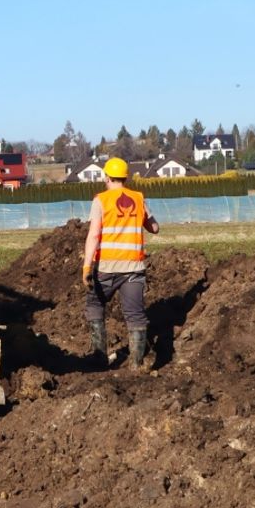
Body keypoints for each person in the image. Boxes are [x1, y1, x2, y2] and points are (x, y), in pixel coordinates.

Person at [81, 157, 160, 370]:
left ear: (106, 176)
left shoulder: (101, 200)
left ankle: (99, 359)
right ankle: (136, 363)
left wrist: (87, 267)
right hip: (134, 268)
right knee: (135, 314)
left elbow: (94, 235)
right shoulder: (138, 198)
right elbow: (155, 228)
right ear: (125, 177)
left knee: (95, 305)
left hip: (106, 268)